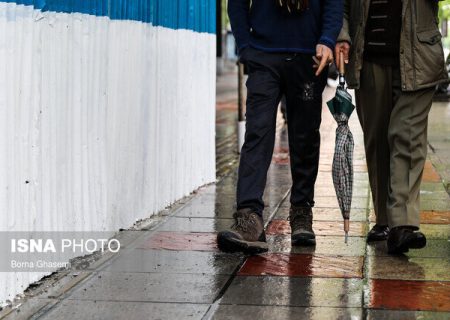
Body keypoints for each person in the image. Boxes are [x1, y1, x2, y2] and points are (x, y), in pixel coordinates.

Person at [217, 0, 343, 253]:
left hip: (309, 57)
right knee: (258, 133)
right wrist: (245, 46)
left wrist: (328, 39)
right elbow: (237, 4)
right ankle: (249, 217)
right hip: (263, 55)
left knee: (305, 137)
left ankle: (301, 212)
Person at [335, 0, 448, 253]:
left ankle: (403, 224)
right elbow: (341, 5)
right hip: (369, 58)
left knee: (405, 135)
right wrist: (341, 35)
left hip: (419, 57)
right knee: (377, 140)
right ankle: (385, 220)